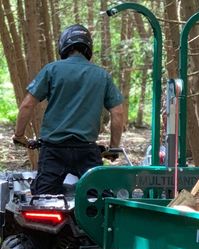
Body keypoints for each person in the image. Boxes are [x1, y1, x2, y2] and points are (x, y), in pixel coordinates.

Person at [12, 24, 124, 195]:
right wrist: (113, 148)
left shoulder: (52, 69)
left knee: (42, 202)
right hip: (87, 151)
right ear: (88, 47)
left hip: (53, 150)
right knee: (97, 201)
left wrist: (20, 136)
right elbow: (118, 113)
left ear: (64, 46)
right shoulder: (102, 75)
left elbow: (27, 105)